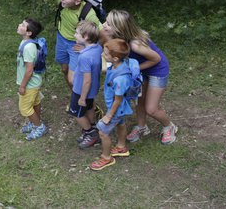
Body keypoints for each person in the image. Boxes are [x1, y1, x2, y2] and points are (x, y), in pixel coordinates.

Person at [0, 0, 102, 88]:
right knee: (64, 69)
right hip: (61, 39)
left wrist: (87, 48)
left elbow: (103, 34)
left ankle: (87, 103)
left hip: (75, 44)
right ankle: (74, 98)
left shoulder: (89, 14)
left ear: (77, 1)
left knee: (73, 80)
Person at [102, 9, 178, 144]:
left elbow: (156, 59)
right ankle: (142, 127)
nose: (103, 25)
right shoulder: (116, 37)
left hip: (156, 70)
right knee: (139, 101)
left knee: (151, 109)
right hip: (139, 69)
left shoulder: (135, 45)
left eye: (108, 24)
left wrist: (132, 70)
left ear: (118, 28)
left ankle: (169, 126)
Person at [90, 39, 134, 170]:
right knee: (121, 123)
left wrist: (108, 116)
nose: (103, 55)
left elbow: (118, 100)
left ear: (114, 58)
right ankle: (121, 147)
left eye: (106, 54)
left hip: (116, 109)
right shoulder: (118, 64)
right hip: (119, 109)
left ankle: (106, 158)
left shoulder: (120, 79)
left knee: (103, 131)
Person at [69, 21, 103, 149]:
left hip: (81, 90)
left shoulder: (84, 57)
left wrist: (82, 98)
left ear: (86, 37)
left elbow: (87, 80)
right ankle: (92, 126)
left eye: (77, 33)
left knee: (76, 113)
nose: (74, 35)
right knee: (89, 108)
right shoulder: (97, 48)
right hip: (92, 89)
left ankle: (91, 134)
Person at [15, 18, 48, 141]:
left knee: (25, 108)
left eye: (23, 25)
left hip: (29, 84)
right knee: (35, 102)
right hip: (35, 82)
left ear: (28, 33)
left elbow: (29, 70)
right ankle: (35, 123)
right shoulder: (26, 42)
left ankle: (39, 127)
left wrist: (22, 86)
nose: (19, 25)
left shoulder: (29, 47)